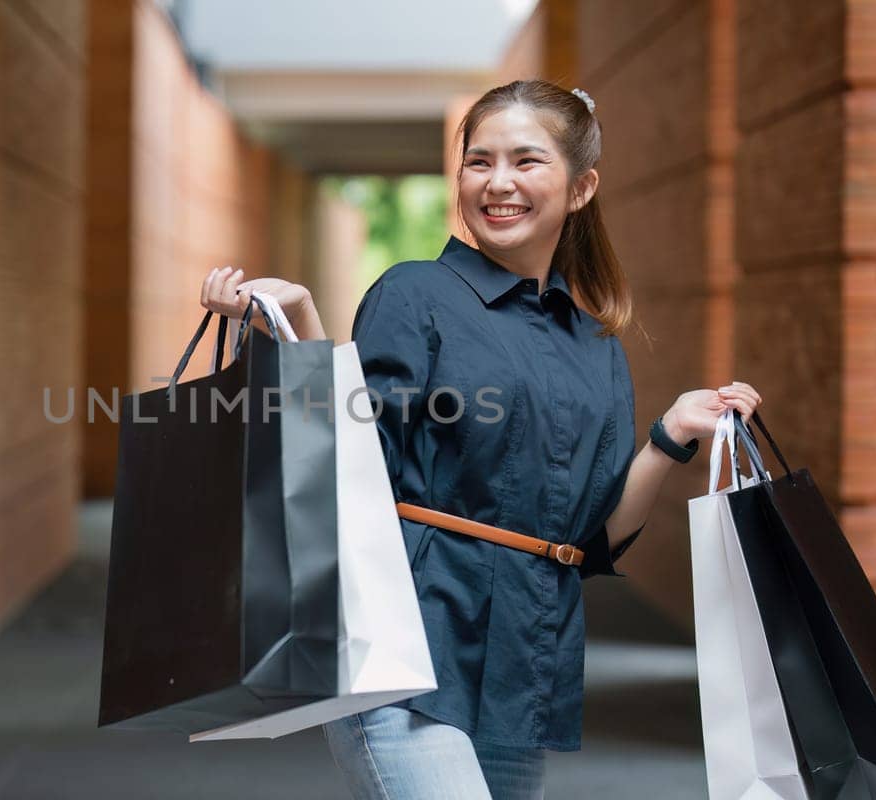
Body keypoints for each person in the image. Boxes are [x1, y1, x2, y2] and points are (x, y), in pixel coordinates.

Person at [199, 78, 762, 800]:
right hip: (405, 643)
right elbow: (351, 468)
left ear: (581, 186)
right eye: (479, 162)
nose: (498, 183)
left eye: (526, 162)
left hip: (523, 662)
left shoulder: (594, 343)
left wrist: (669, 439)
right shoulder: (414, 295)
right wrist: (303, 328)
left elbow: (594, 542)